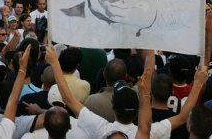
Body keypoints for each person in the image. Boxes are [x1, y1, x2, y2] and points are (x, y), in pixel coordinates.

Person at [45, 45, 209, 138]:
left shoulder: (102, 129)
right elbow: (182, 117)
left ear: (113, 107)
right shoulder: (148, 132)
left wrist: (54, 63)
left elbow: (68, 97)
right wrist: (198, 83)